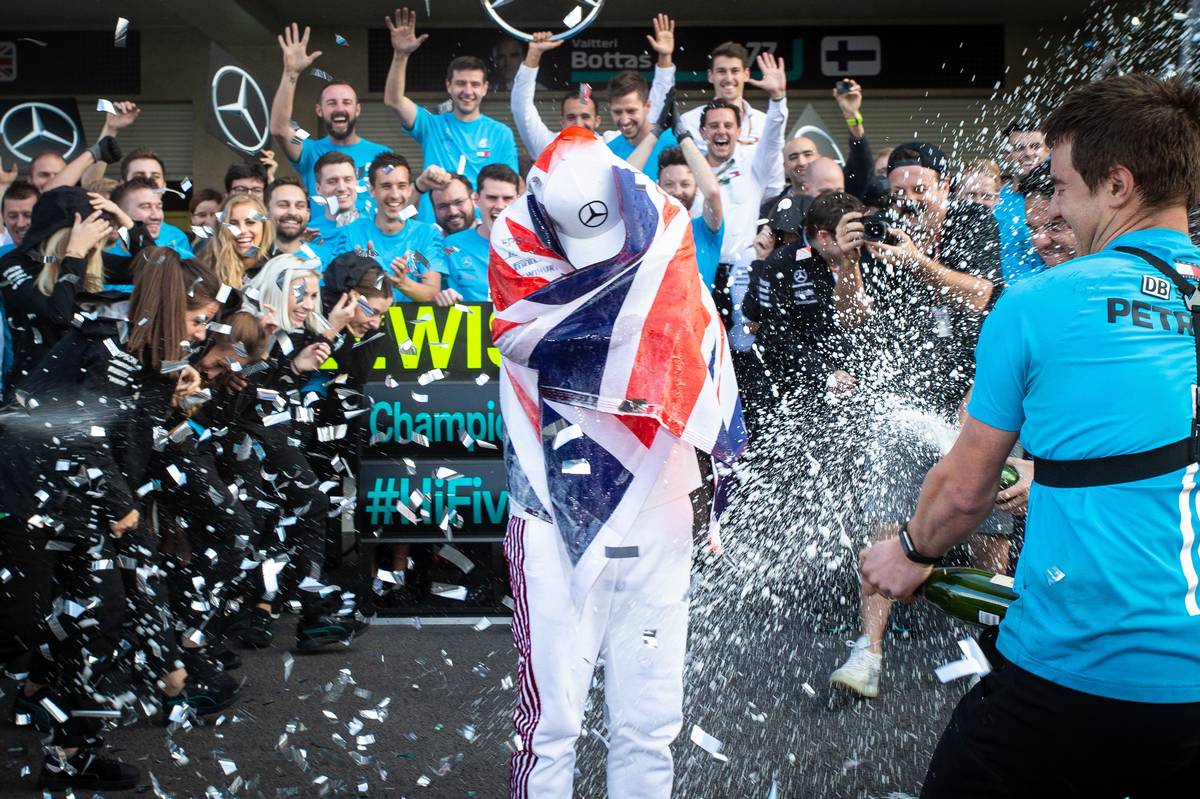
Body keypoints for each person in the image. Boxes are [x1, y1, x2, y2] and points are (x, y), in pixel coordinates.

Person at [861, 74, 1200, 798]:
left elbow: (963, 490)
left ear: (1117, 185)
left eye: (1060, 186)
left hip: (1088, 664)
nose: (1049, 207)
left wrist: (911, 552)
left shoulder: (1041, 300)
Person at [490, 126, 744, 798]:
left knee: (650, 724)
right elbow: (534, 335)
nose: (603, 264)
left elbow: (682, 346)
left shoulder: (663, 226)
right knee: (550, 727)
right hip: (551, 507)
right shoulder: (514, 243)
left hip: (659, 503)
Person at [829, 141, 1008, 698]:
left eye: (919, 190)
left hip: (973, 407)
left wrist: (920, 265)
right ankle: (869, 653)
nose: (906, 201)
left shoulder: (974, 224)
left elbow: (986, 297)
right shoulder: (879, 233)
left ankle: (998, 649)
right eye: (898, 191)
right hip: (903, 403)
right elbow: (855, 323)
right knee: (888, 520)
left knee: (990, 532)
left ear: (944, 189)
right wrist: (846, 264)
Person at [383, 8, 519, 220]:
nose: (467, 91)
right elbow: (394, 100)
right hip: (433, 229)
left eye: (475, 84)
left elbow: (510, 187)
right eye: (460, 83)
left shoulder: (500, 133)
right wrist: (401, 55)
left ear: (485, 88)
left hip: (478, 232)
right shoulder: (431, 125)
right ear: (449, 86)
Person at [743, 191, 869, 411]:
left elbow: (860, 320)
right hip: (799, 389)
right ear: (824, 237)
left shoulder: (862, 252)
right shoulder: (782, 264)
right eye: (847, 235)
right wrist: (825, 374)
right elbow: (778, 335)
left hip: (854, 381)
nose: (854, 241)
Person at [270, 23, 389, 219]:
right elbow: (280, 129)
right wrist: (291, 73)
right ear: (319, 110)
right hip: (323, 244)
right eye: (332, 103)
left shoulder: (381, 155)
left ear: (357, 109)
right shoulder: (309, 149)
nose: (340, 108)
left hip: (368, 248)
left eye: (347, 102)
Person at [1, 187, 111, 387]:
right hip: (30, 397)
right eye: (87, 236)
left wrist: (127, 223)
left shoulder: (86, 258)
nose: (95, 245)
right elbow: (60, 314)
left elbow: (155, 265)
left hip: (84, 393)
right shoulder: (12, 264)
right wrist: (75, 253)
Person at [627, 103, 725, 291]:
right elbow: (624, 177)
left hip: (697, 319)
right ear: (659, 187)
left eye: (685, 184)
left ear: (697, 188)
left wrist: (683, 135)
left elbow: (712, 192)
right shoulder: (648, 231)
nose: (677, 191)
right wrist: (655, 133)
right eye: (669, 184)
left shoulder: (705, 230)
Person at [679, 41, 784, 197]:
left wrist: (778, 98)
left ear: (746, 74)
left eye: (735, 71)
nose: (728, 78)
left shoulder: (765, 122)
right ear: (710, 76)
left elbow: (775, 178)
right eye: (721, 71)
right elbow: (681, 173)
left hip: (754, 214)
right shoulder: (689, 121)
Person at [340, 152, 448, 303]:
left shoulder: (427, 234)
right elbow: (341, 290)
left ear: (410, 189)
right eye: (386, 186)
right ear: (372, 190)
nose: (395, 195)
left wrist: (403, 283)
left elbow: (432, 292)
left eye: (401, 186)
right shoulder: (351, 232)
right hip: (366, 322)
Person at [510, 31, 602, 157]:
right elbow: (520, 107)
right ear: (562, 122)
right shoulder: (548, 145)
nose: (578, 124)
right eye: (571, 117)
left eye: (585, 116)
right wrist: (534, 53)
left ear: (597, 121)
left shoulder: (609, 144)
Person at [441, 164, 518, 302]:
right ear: (476, 199)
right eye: (492, 198)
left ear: (518, 200)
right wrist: (441, 296)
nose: (500, 205)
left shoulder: (534, 246)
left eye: (507, 198)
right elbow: (431, 289)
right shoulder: (451, 245)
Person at [995, 122, 1050, 283]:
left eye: (1035, 146)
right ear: (1006, 154)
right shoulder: (995, 200)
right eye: (1019, 148)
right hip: (1005, 294)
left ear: (1048, 150)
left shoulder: (1063, 197)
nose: (1028, 153)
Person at [116, 148, 194, 255]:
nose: (149, 182)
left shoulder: (178, 238)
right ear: (122, 184)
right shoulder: (106, 236)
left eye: (155, 177)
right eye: (139, 177)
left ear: (164, 186)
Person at [197, 193, 273, 286]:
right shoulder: (204, 269)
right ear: (220, 228)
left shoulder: (278, 268)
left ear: (264, 226)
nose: (241, 230)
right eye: (232, 223)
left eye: (250, 222)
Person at [110, 177, 195, 259]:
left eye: (159, 207)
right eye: (145, 207)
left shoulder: (181, 256)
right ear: (120, 213)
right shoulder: (103, 258)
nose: (157, 216)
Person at [1017, 159, 1078, 266]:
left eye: (1055, 227)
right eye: (1033, 229)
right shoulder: (1029, 281)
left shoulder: (1114, 277)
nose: (1040, 242)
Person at [0, 180, 38, 256]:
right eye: (12, 216)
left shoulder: (55, 257)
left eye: (28, 215)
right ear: (3, 217)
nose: (20, 224)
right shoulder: (1, 256)